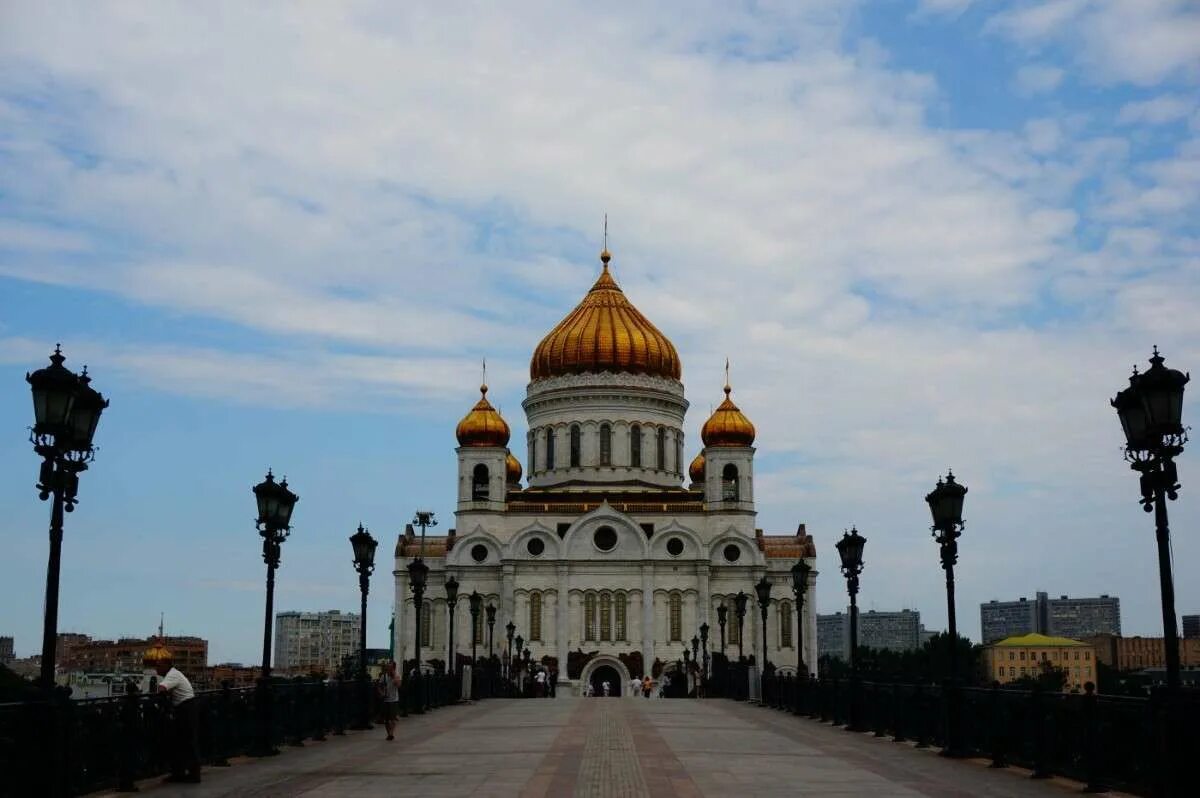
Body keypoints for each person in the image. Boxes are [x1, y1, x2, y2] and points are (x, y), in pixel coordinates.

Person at [155, 657, 200, 784]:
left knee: (187, 742)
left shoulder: (172, 675)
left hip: (186, 710)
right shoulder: (174, 674)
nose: (156, 668)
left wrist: (165, 704)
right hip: (186, 708)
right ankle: (180, 772)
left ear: (166, 665)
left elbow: (162, 688)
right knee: (179, 743)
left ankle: (192, 774)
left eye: (159, 665)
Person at [378, 661, 401, 740]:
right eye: (388, 667)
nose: (389, 669)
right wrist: (381, 693)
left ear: (393, 668)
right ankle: (389, 734)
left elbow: (398, 685)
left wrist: (394, 676)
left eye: (391, 667)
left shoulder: (397, 675)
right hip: (386, 699)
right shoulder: (383, 676)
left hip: (394, 700)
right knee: (386, 720)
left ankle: (391, 733)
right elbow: (379, 686)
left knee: (393, 718)